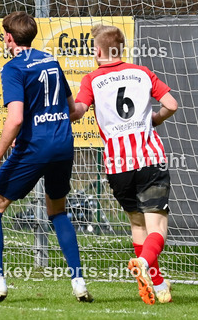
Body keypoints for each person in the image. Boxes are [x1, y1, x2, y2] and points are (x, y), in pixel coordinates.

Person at [0, 11, 92, 304]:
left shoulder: (13, 68)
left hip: (35, 147)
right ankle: (79, 283)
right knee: (58, 211)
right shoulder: (51, 61)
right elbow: (72, 110)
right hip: (63, 146)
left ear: (8, 37)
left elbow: (16, 118)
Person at [70, 25, 178, 304]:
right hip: (149, 159)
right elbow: (171, 104)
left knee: (137, 223)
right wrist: (155, 119)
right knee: (157, 227)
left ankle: (157, 284)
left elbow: (78, 111)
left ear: (98, 51)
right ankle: (145, 263)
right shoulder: (142, 73)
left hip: (118, 165)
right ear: (122, 49)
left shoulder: (92, 79)